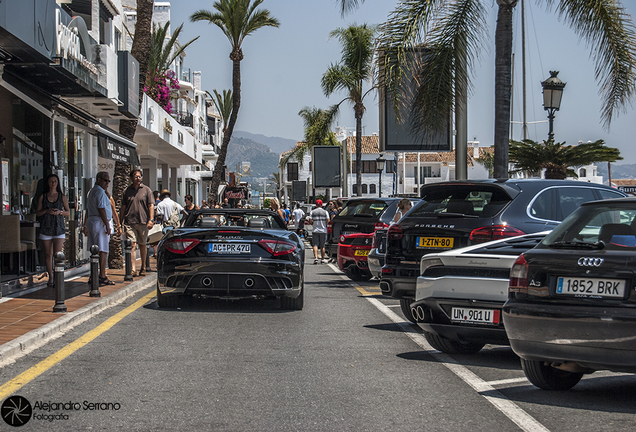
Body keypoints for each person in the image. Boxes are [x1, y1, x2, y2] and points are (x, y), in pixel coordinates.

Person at [35, 174, 70, 287]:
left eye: (55, 181)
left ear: (57, 183)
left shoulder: (62, 196)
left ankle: (57, 276)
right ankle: (51, 277)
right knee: (48, 254)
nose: (53, 183)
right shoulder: (43, 197)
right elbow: (38, 212)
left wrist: (59, 212)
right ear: (48, 183)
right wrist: (46, 211)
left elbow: (68, 212)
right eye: (51, 181)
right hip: (46, 227)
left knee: (57, 254)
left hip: (58, 227)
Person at [120, 169, 155, 277]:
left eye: (139, 176)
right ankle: (133, 269)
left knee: (143, 245)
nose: (138, 178)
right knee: (132, 244)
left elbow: (151, 206)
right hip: (130, 222)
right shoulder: (127, 191)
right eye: (136, 177)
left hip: (143, 222)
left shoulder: (146, 190)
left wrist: (151, 219)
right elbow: (123, 207)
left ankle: (143, 267)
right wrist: (120, 222)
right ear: (131, 178)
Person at [85, 172, 115, 286]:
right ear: (98, 179)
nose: (107, 183)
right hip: (99, 222)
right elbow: (101, 209)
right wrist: (107, 224)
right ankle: (102, 275)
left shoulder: (92, 191)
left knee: (95, 250)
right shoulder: (99, 192)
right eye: (105, 180)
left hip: (93, 221)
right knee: (102, 250)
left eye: (108, 181)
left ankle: (94, 275)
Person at [308, 199, 330, 264]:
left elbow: (310, 220)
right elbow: (328, 220)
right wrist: (324, 224)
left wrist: (313, 224)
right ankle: (322, 259)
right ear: (322, 204)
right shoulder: (325, 212)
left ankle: (316, 258)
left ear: (316, 204)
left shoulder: (312, 212)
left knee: (315, 245)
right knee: (322, 246)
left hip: (315, 230)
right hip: (323, 230)